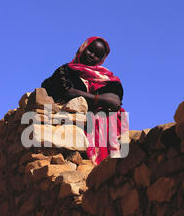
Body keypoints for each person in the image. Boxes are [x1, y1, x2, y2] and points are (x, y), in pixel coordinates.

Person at [41, 36, 129, 165]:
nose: (92, 55)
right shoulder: (65, 71)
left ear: (102, 59)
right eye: (90, 50)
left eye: (97, 55)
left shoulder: (107, 78)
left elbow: (115, 100)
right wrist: (98, 98)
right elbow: (67, 92)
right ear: (83, 48)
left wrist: (87, 97)